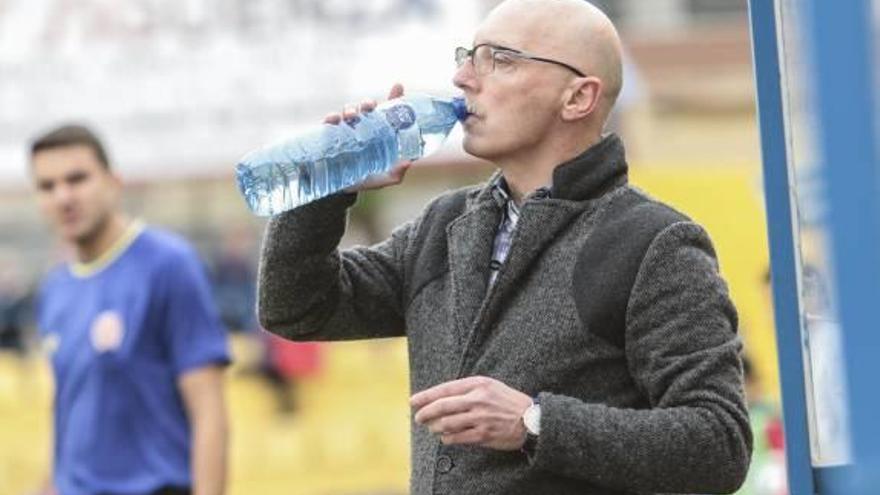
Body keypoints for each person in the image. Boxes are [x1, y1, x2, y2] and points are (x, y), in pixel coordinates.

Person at [257, 0, 752, 493]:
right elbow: (296, 309)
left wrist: (535, 423)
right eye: (468, 56)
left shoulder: (655, 244)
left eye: (500, 59)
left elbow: (719, 444)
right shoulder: (446, 223)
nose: (464, 78)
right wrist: (327, 190)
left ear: (578, 97)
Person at [30, 124, 230, 495]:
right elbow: (69, 413)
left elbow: (209, 410)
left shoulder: (169, 265)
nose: (63, 197)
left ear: (113, 182)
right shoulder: (54, 288)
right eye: (47, 186)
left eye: (77, 179)